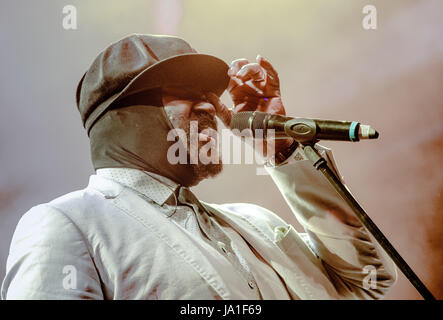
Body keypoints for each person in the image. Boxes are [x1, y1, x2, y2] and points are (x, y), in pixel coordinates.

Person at [1, 34, 396, 300]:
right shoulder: (69, 223)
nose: (211, 106)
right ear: (121, 118)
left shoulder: (253, 221)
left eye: (208, 95)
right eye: (183, 96)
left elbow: (366, 282)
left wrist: (281, 148)